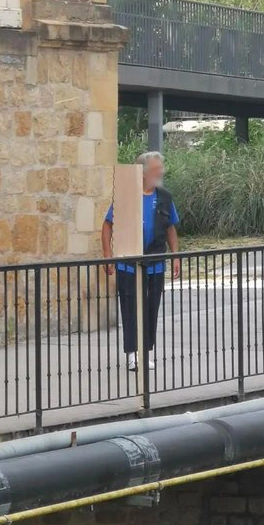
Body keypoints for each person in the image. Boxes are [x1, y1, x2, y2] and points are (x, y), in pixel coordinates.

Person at [101, 151, 180, 371]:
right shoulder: (127, 195)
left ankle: (146, 351)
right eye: (156, 169)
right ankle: (132, 353)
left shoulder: (165, 197)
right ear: (143, 173)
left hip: (155, 264)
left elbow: (171, 227)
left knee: (151, 309)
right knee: (130, 308)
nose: (160, 172)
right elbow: (108, 225)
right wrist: (108, 255)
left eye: (160, 168)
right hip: (128, 264)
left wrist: (175, 255)